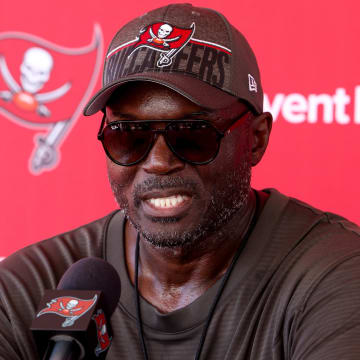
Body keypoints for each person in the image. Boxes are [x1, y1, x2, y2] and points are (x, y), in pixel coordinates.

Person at [1, 3, 360, 359]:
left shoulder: (336, 273)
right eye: (129, 135)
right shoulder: (31, 285)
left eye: (191, 133)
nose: (158, 162)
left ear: (256, 139)